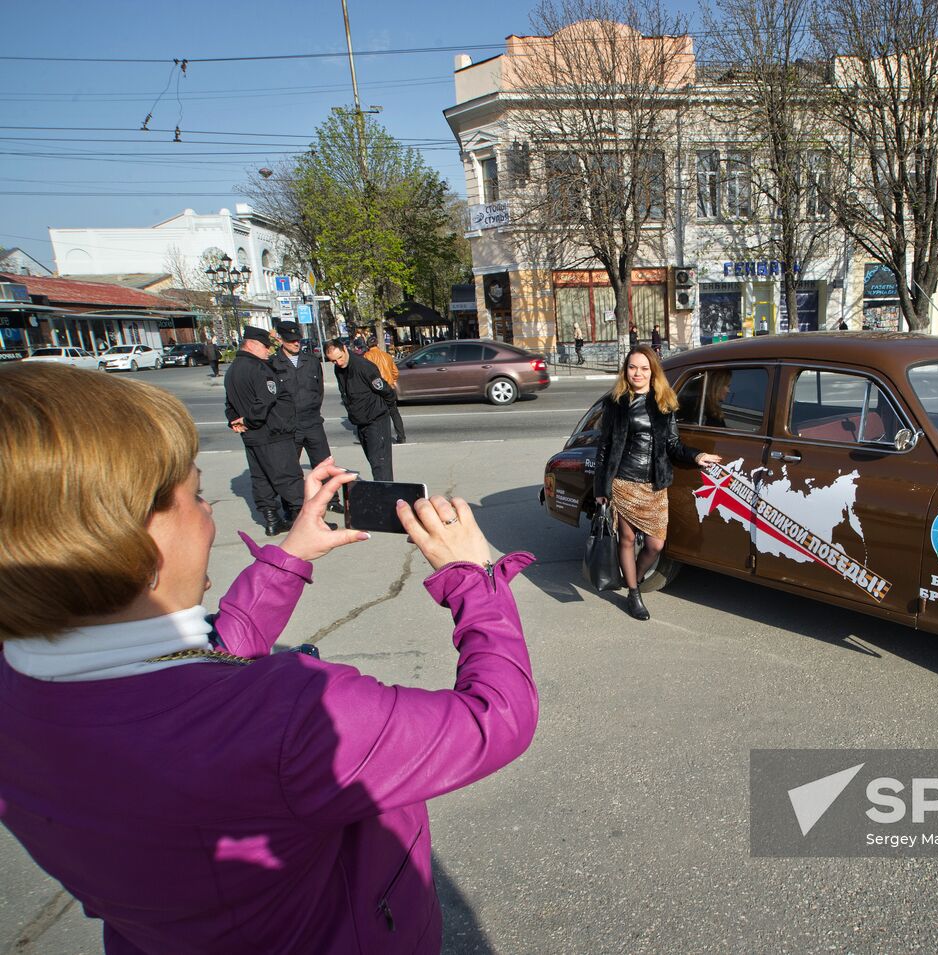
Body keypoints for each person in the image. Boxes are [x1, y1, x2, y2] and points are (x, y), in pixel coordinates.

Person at [0, 361, 538, 955]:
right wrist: (473, 579)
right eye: (195, 495)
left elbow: (199, 663)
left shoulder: (22, 690)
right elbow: (496, 720)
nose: (209, 512)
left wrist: (292, 553)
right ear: (132, 537)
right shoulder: (288, 717)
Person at [593, 346, 722, 621]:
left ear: (653, 372)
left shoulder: (664, 402)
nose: (637, 373)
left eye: (644, 368)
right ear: (625, 370)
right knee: (627, 540)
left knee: (656, 545)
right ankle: (633, 593)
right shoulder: (615, 403)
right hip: (624, 482)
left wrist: (696, 455)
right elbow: (604, 448)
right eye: (632, 367)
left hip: (655, 485)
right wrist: (600, 489)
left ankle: (634, 578)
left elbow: (673, 444)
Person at [225, 326, 303, 536]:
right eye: (265, 346)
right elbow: (266, 400)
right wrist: (249, 420)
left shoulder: (232, 370)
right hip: (273, 433)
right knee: (289, 477)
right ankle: (303, 522)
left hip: (252, 436)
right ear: (251, 344)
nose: (268, 350)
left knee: (261, 479)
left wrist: (235, 422)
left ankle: (272, 521)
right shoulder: (258, 368)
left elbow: (230, 404)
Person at [269, 322, 342, 514]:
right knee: (289, 468)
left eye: (298, 340)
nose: (296, 343)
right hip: (289, 425)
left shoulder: (310, 361)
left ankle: (332, 500)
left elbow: (319, 390)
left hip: (312, 421)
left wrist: (313, 409)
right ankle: (291, 506)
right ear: (281, 340)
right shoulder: (273, 363)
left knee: (324, 463)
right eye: (291, 340)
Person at [325, 338, 394, 481]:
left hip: (376, 420)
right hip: (360, 422)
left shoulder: (363, 366)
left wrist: (383, 409)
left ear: (345, 349)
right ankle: (383, 488)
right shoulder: (339, 368)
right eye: (333, 361)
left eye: (340, 357)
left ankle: (386, 492)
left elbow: (385, 390)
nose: (338, 363)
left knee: (380, 465)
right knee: (373, 461)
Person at [364, 335, 408, 444]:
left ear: (368, 346)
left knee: (377, 415)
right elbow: (395, 372)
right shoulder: (387, 355)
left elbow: (366, 374)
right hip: (389, 387)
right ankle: (401, 436)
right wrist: (391, 381)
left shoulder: (367, 356)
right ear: (377, 344)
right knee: (394, 413)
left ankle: (381, 437)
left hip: (376, 389)